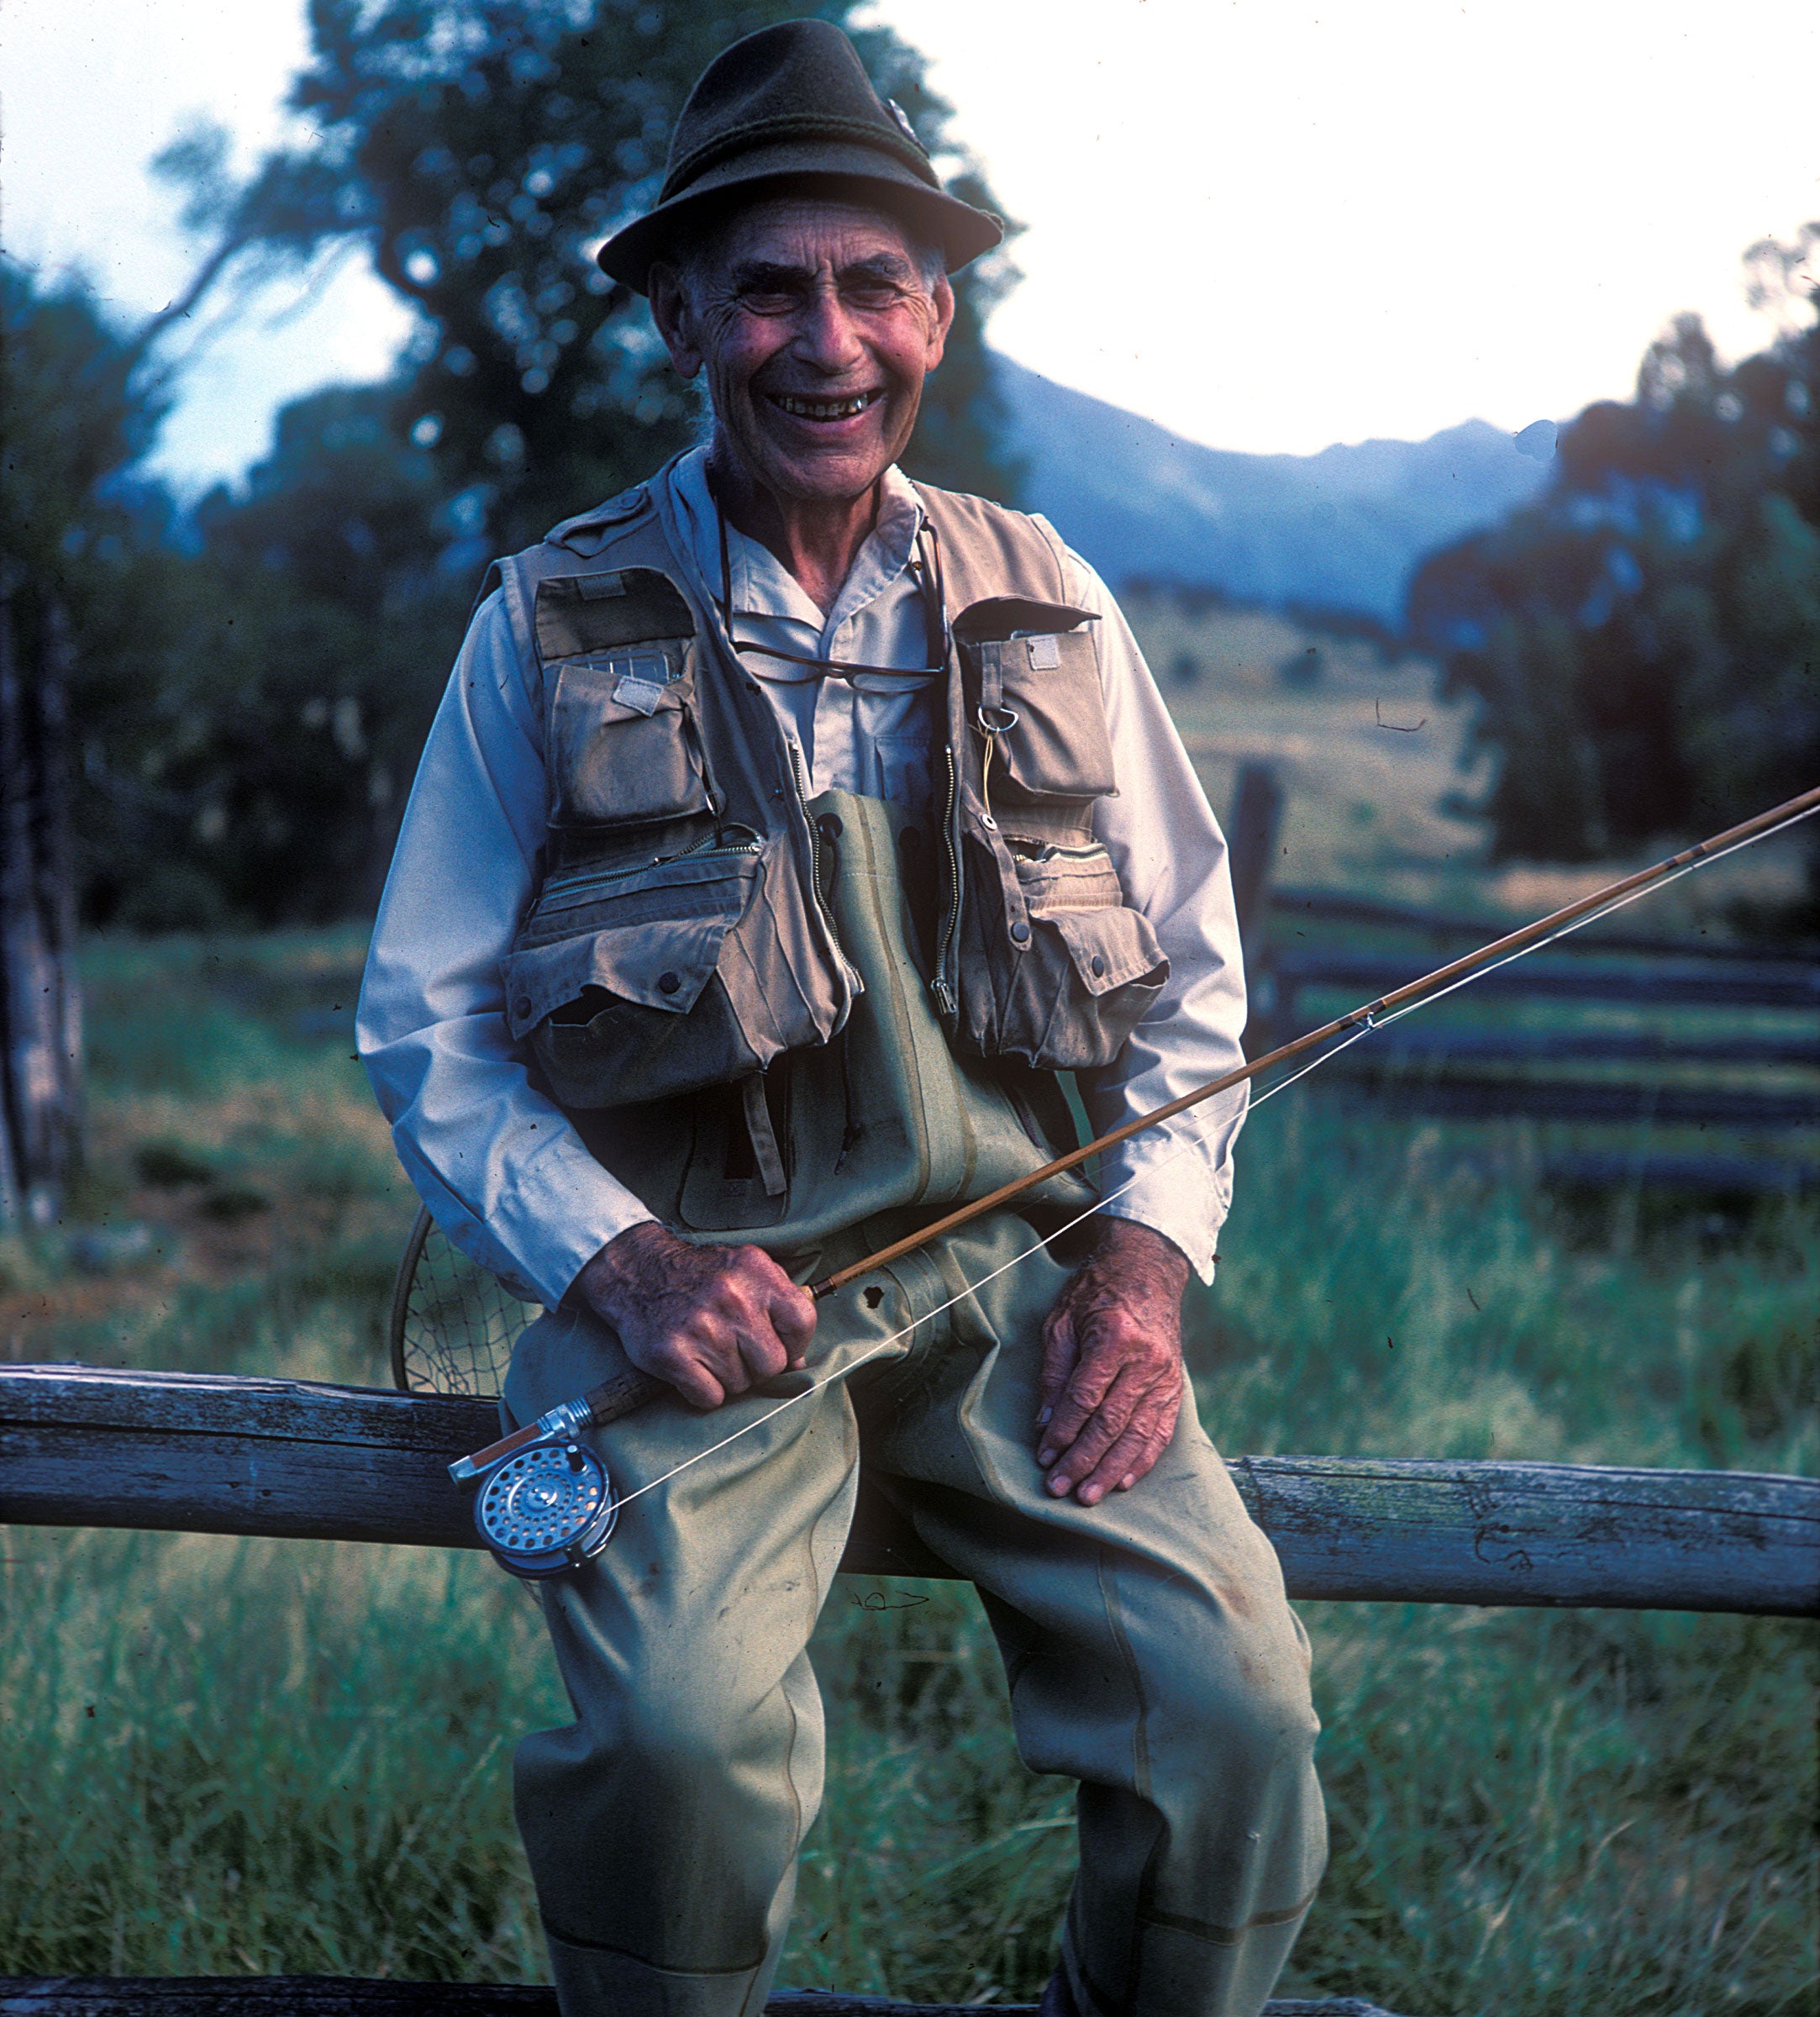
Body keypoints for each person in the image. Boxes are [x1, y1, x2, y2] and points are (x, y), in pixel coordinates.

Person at [357, 21, 1325, 2017]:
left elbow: (1198, 964)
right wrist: (620, 1264)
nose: (827, 341)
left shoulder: (1042, 589)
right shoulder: (545, 624)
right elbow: (422, 1019)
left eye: (871, 283)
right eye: (770, 289)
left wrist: (1141, 1274)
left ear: (938, 314)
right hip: (709, 1312)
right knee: (676, 1757)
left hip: (1026, 1290)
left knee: (1237, 1716)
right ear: (680, 321)